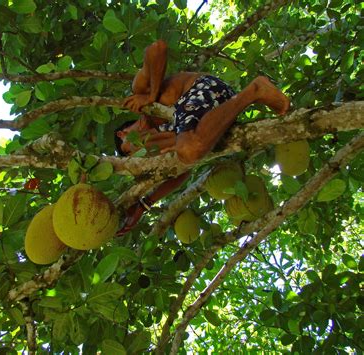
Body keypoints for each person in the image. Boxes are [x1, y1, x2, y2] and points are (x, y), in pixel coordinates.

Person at [115, 40, 290, 235]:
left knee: (188, 149)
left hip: (202, 89)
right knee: (185, 154)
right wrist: (143, 204)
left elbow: (157, 48)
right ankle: (250, 95)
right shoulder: (160, 138)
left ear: (122, 133)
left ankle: (254, 91)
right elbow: (181, 171)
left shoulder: (140, 95)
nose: (135, 153)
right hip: (216, 114)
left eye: (127, 150)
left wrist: (151, 95)